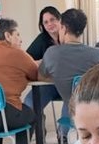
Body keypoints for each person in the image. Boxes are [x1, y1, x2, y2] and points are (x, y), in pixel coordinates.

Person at [39, 8, 99, 116]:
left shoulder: (51, 53)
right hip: (98, 113)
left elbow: (40, 77)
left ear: (64, 28)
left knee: (70, 105)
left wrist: (58, 76)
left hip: (73, 114)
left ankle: (64, 132)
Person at [24, 6, 64, 135]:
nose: (50, 24)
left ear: (59, 20)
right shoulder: (41, 40)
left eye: (52, 19)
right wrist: (41, 62)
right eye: (45, 22)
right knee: (29, 104)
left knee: (74, 104)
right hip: (48, 84)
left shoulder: (69, 36)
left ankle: (63, 138)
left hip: (68, 83)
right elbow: (26, 61)